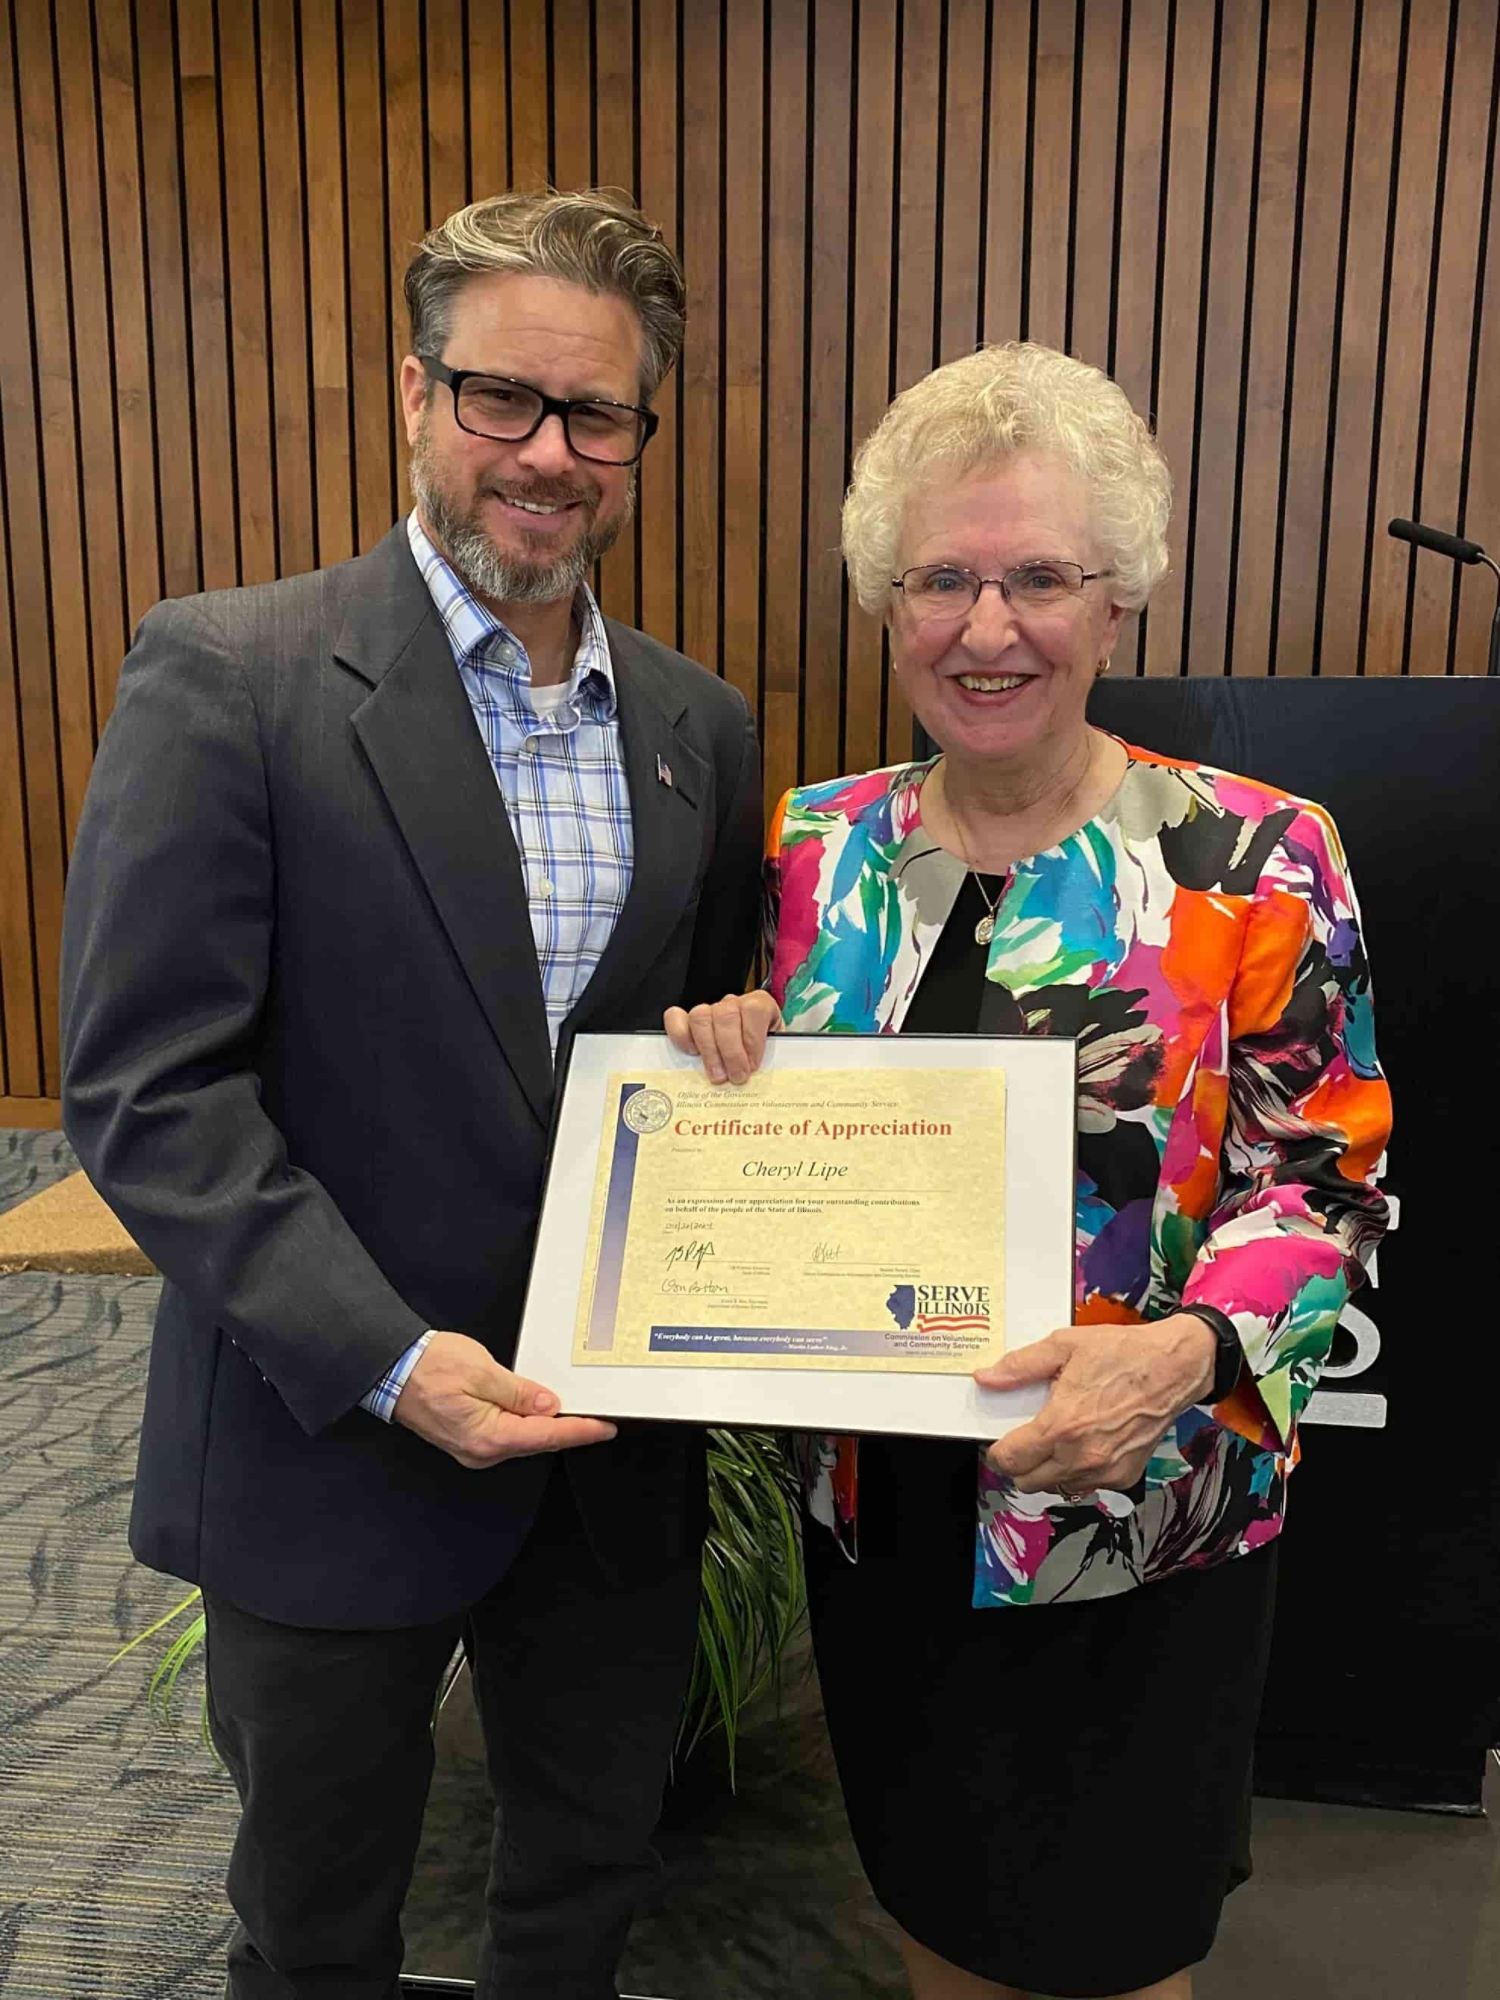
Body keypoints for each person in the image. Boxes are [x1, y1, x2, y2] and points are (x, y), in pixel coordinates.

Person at [59, 187, 761, 2000]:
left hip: (612, 1466)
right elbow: (148, 1088)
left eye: (597, 414)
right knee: (316, 1921)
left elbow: (699, 1038)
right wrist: (391, 1357)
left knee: (585, 1888)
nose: (547, 453)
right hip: (334, 1435)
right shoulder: (231, 674)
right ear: (411, 390)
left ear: (639, 435)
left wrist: (742, 1047)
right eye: (500, 399)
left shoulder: (700, 726)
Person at [666, 341, 1391, 2000]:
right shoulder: (813, 843)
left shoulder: (1257, 857)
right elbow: (761, 1099)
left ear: (1118, 599)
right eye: (942, 580)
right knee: (933, 1903)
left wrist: (1189, 1351)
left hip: (1133, 1513)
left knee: (1120, 1939)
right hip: (888, 1514)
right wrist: (718, 1050)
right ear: (887, 599)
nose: (987, 630)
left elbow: (1326, 1175)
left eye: (1040, 578)